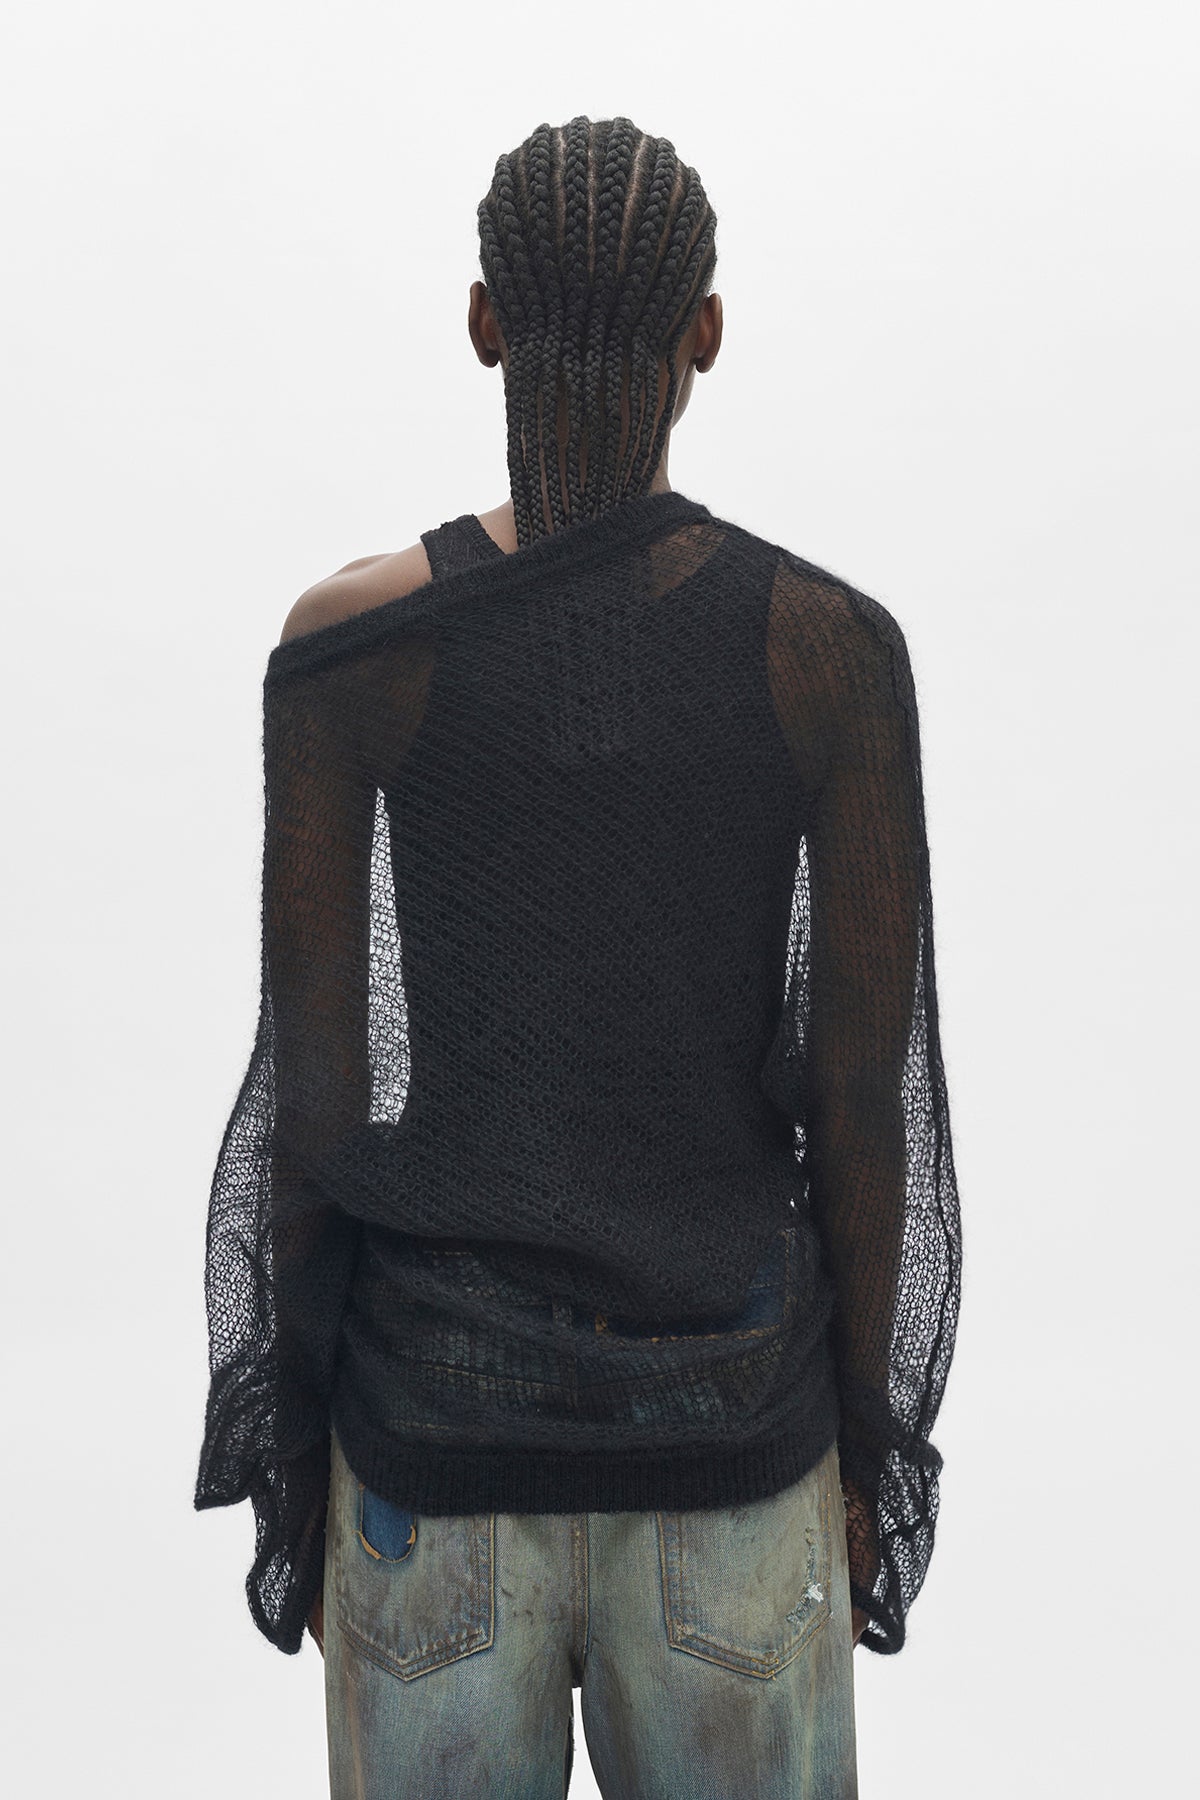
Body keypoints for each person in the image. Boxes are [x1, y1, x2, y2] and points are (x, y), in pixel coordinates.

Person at [195, 113, 962, 1800]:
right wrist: (865, 1447)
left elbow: (315, 1106)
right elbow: (866, 1113)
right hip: (732, 1451)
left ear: (483, 322)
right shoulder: (829, 652)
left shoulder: (351, 649)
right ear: (709, 331)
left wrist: (295, 1453)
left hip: (430, 1462)